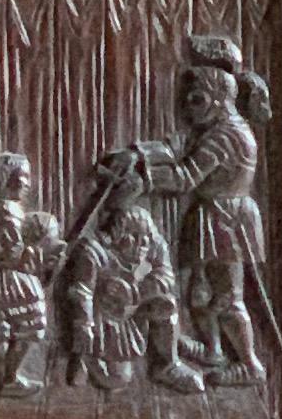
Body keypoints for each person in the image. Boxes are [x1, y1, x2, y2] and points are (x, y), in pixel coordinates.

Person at [163, 34, 271, 389]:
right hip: (213, 215)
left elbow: (185, 177)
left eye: (194, 100)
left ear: (216, 99)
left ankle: (250, 364)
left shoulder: (224, 136)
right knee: (198, 290)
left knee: (227, 297)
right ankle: (212, 349)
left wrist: (145, 176)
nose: (187, 108)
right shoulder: (217, 130)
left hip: (227, 219)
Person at [57, 148, 200, 395]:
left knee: (165, 305)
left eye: (142, 240)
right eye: (130, 239)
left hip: (134, 309)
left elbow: (165, 276)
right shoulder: (94, 250)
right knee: (117, 379)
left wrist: (136, 292)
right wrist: (84, 327)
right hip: (104, 320)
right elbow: (81, 292)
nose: (138, 245)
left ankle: (168, 362)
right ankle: (86, 358)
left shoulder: (150, 234)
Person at [0, 150, 62, 396]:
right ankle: (7, 379)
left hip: (10, 277)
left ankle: (6, 378)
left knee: (7, 329)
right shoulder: (3, 213)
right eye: (23, 176)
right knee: (27, 326)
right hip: (12, 279)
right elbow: (10, 254)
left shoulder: (6, 209)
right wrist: (39, 252)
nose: (28, 183)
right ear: (5, 178)